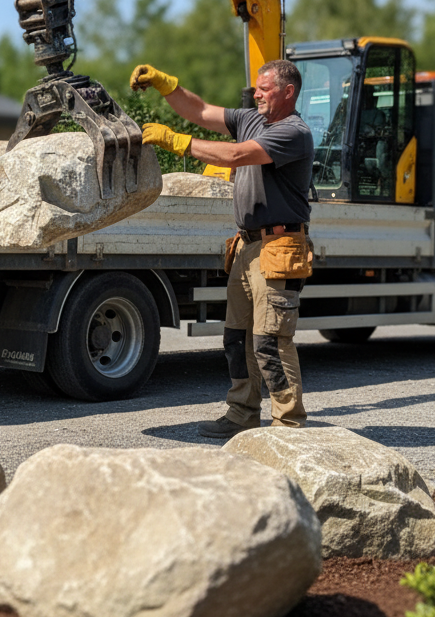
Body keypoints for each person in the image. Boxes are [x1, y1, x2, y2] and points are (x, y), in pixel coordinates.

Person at [131, 60, 314, 439]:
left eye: (265, 88)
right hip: (246, 246)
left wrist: (178, 142)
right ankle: (242, 413)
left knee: (271, 340)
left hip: (279, 246)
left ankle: (288, 423)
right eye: (257, 88)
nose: (257, 93)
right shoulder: (250, 118)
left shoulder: (293, 133)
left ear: (288, 92)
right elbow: (199, 111)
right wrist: (167, 85)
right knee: (236, 337)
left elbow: (234, 156)